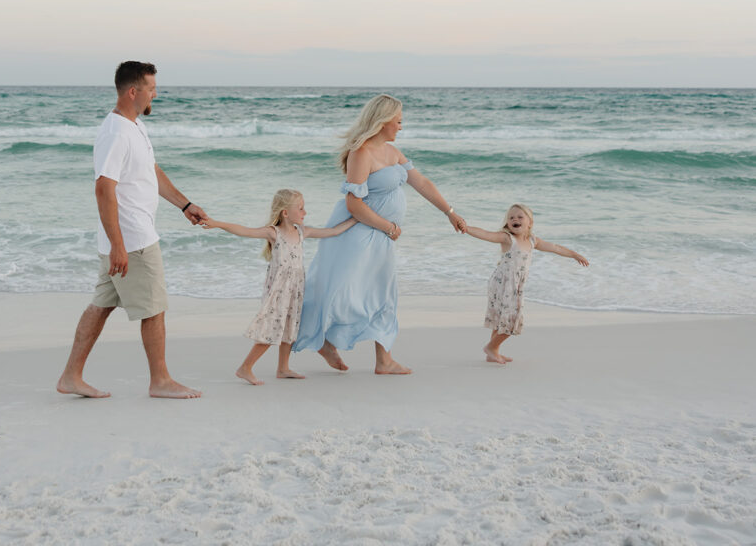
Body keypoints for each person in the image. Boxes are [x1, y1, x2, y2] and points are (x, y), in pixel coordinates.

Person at [56, 61, 209, 399]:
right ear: (133, 91)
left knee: (101, 305)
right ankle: (161, 381)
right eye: (152, 88)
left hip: (125, 239)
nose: (156, 93)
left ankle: (70, 376)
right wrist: (119, 245)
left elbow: (150, 172)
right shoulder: (115, 133)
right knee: (153, 309)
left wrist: (185, 205)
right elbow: (103, 188)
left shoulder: (135, 126)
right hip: (133, 240)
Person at [293, 93, 466, 374]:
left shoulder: (393, 152)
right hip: (360, 233)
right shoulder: (361, 153)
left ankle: (383, 360)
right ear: (383, 121)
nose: (401, 127)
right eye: (398, 121)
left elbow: (421, 182)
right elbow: (353, 204)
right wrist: (389, 227)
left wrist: (449, 212)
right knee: (342, 291)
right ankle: (323, 340)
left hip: (382, 236)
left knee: (384, 293)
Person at [201, 190, 356, 385]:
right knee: (271, 330)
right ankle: (245, 368)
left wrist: (356, 220)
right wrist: (216, 223)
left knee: (290, 328)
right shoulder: (273, 233)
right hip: (278, 291)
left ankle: (283, 368)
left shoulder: (302, 232)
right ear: (285, 213)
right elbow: (243, 230)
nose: (304, 212)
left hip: (295, 289)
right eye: (300, 208)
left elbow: (332, 232)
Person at [463, 203, 589, 364]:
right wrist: (466, 228)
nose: (515, 219)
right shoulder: (507, 238)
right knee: (511, 320)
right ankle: (491, 348)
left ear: (530, 222)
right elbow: (486, 234)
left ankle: (493, 352)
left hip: (515, 286)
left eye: (520, 217)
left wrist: (574, 255)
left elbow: (555, 248)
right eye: (511, 217)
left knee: (503, 318)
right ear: (507, 223)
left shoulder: (532, 240)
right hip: (503, 284)